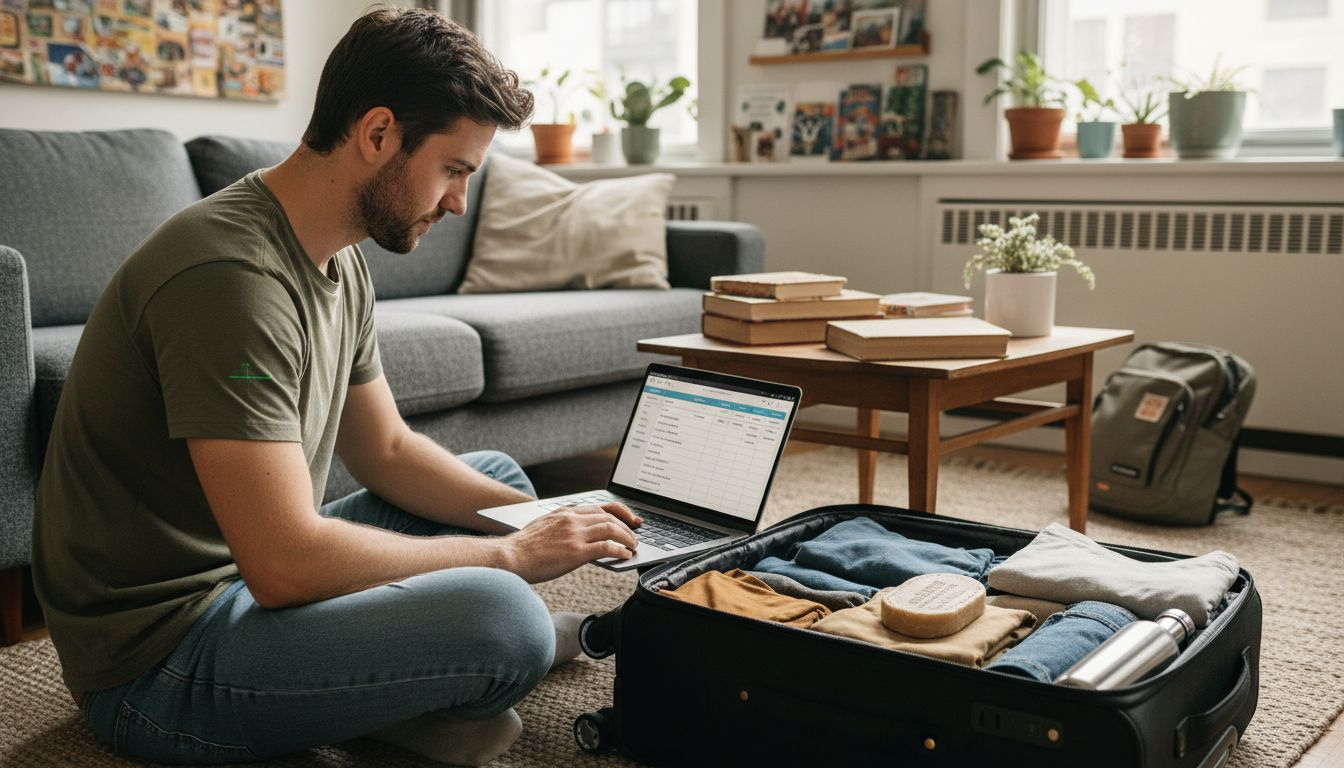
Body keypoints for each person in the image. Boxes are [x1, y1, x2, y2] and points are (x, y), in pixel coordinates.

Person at [31, 6, 642, 765]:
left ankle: (383, 701)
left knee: (496, 487)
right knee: (505, 619)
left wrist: (545, 518)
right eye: (454, 170)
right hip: (158, 660)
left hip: (246, 581)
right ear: (378, 133)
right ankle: (392, 703)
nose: (457, 201)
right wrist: (514, 560)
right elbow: (284, 561)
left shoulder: (336, 253)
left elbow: (383, 448)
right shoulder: (229, 277)